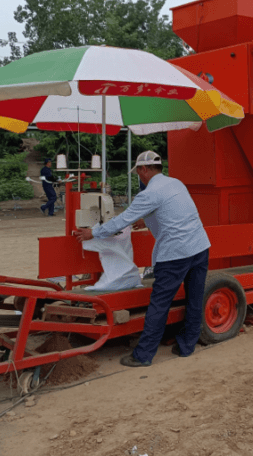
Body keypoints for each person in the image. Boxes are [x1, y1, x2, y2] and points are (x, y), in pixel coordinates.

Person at [73, 150, 210, 367]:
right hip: (200, 247)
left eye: (138, 172)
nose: (139, 176)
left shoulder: (149, 193)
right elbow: (176, 211)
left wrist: (93, 233)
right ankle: (187, 347)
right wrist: (147, 221)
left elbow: (122, 220)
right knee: (194, 299)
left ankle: (143, 355)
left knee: (159, 304)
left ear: (143, 169)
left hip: (175, 254)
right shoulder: (176, 183)